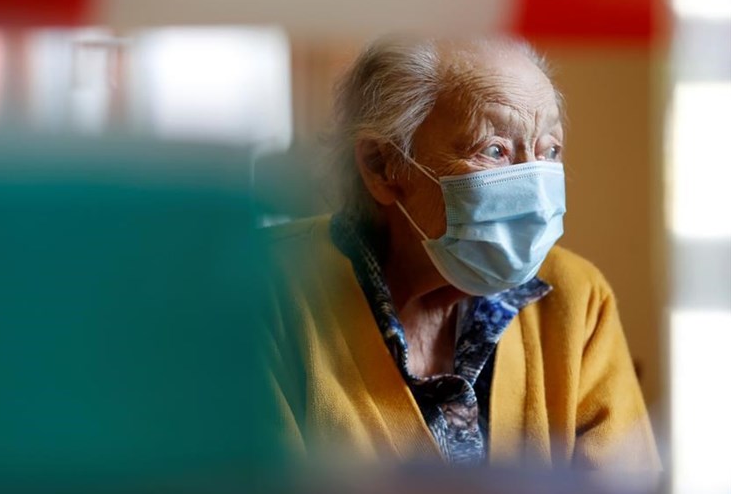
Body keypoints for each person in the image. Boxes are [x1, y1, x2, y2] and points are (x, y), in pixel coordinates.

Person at [264, 36, 660, 469]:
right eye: (494, 150)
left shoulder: (576, 298)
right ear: (383, 166)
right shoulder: (259, 296)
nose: (534, 183)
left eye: (550, 150)